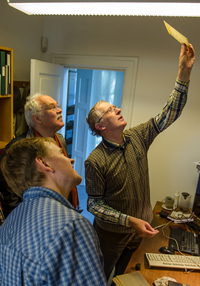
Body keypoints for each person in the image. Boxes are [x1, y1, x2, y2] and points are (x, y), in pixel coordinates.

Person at [85, 43, 195, 279]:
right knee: (100, 277)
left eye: (115, 106)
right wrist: (128, 220)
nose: (118, 109)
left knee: (128, 277)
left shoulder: (137, 136)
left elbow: (169, 113)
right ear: (101, 126)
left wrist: (183, 74)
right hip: (110, 235)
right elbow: (93, 205)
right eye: (110, 110)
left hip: (141, 230)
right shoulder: (95, 160)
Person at [0, 137, 108, 286]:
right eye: (62, 154)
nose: (71, 160)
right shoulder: (72, 227)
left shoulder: (9, 223)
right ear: (44, 164)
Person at [0, 93, 79, 218]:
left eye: (57, 106)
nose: (60, 110)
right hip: (33, 216)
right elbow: (10, 195)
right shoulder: (18, 148)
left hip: (60, 209)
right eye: (52, 107)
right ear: (37, 118)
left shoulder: (60, 139)